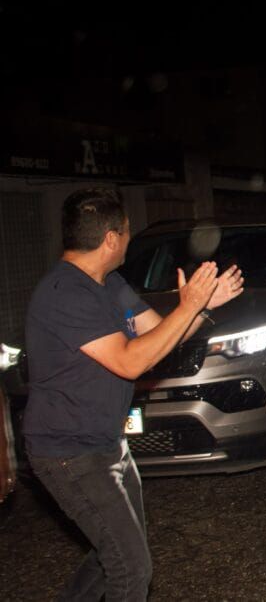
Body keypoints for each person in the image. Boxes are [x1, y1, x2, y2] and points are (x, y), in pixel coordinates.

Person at [22, 187, 244, 601]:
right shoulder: (64, 294)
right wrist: (188, 305)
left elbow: (158, 336)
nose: (128, 238)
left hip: (106, 444)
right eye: (126, 231)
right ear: (110, 238)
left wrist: (199, 307)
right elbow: (130, 362)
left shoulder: (108, 284)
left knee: (114, 556)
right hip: (69, 453)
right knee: (131, 568)